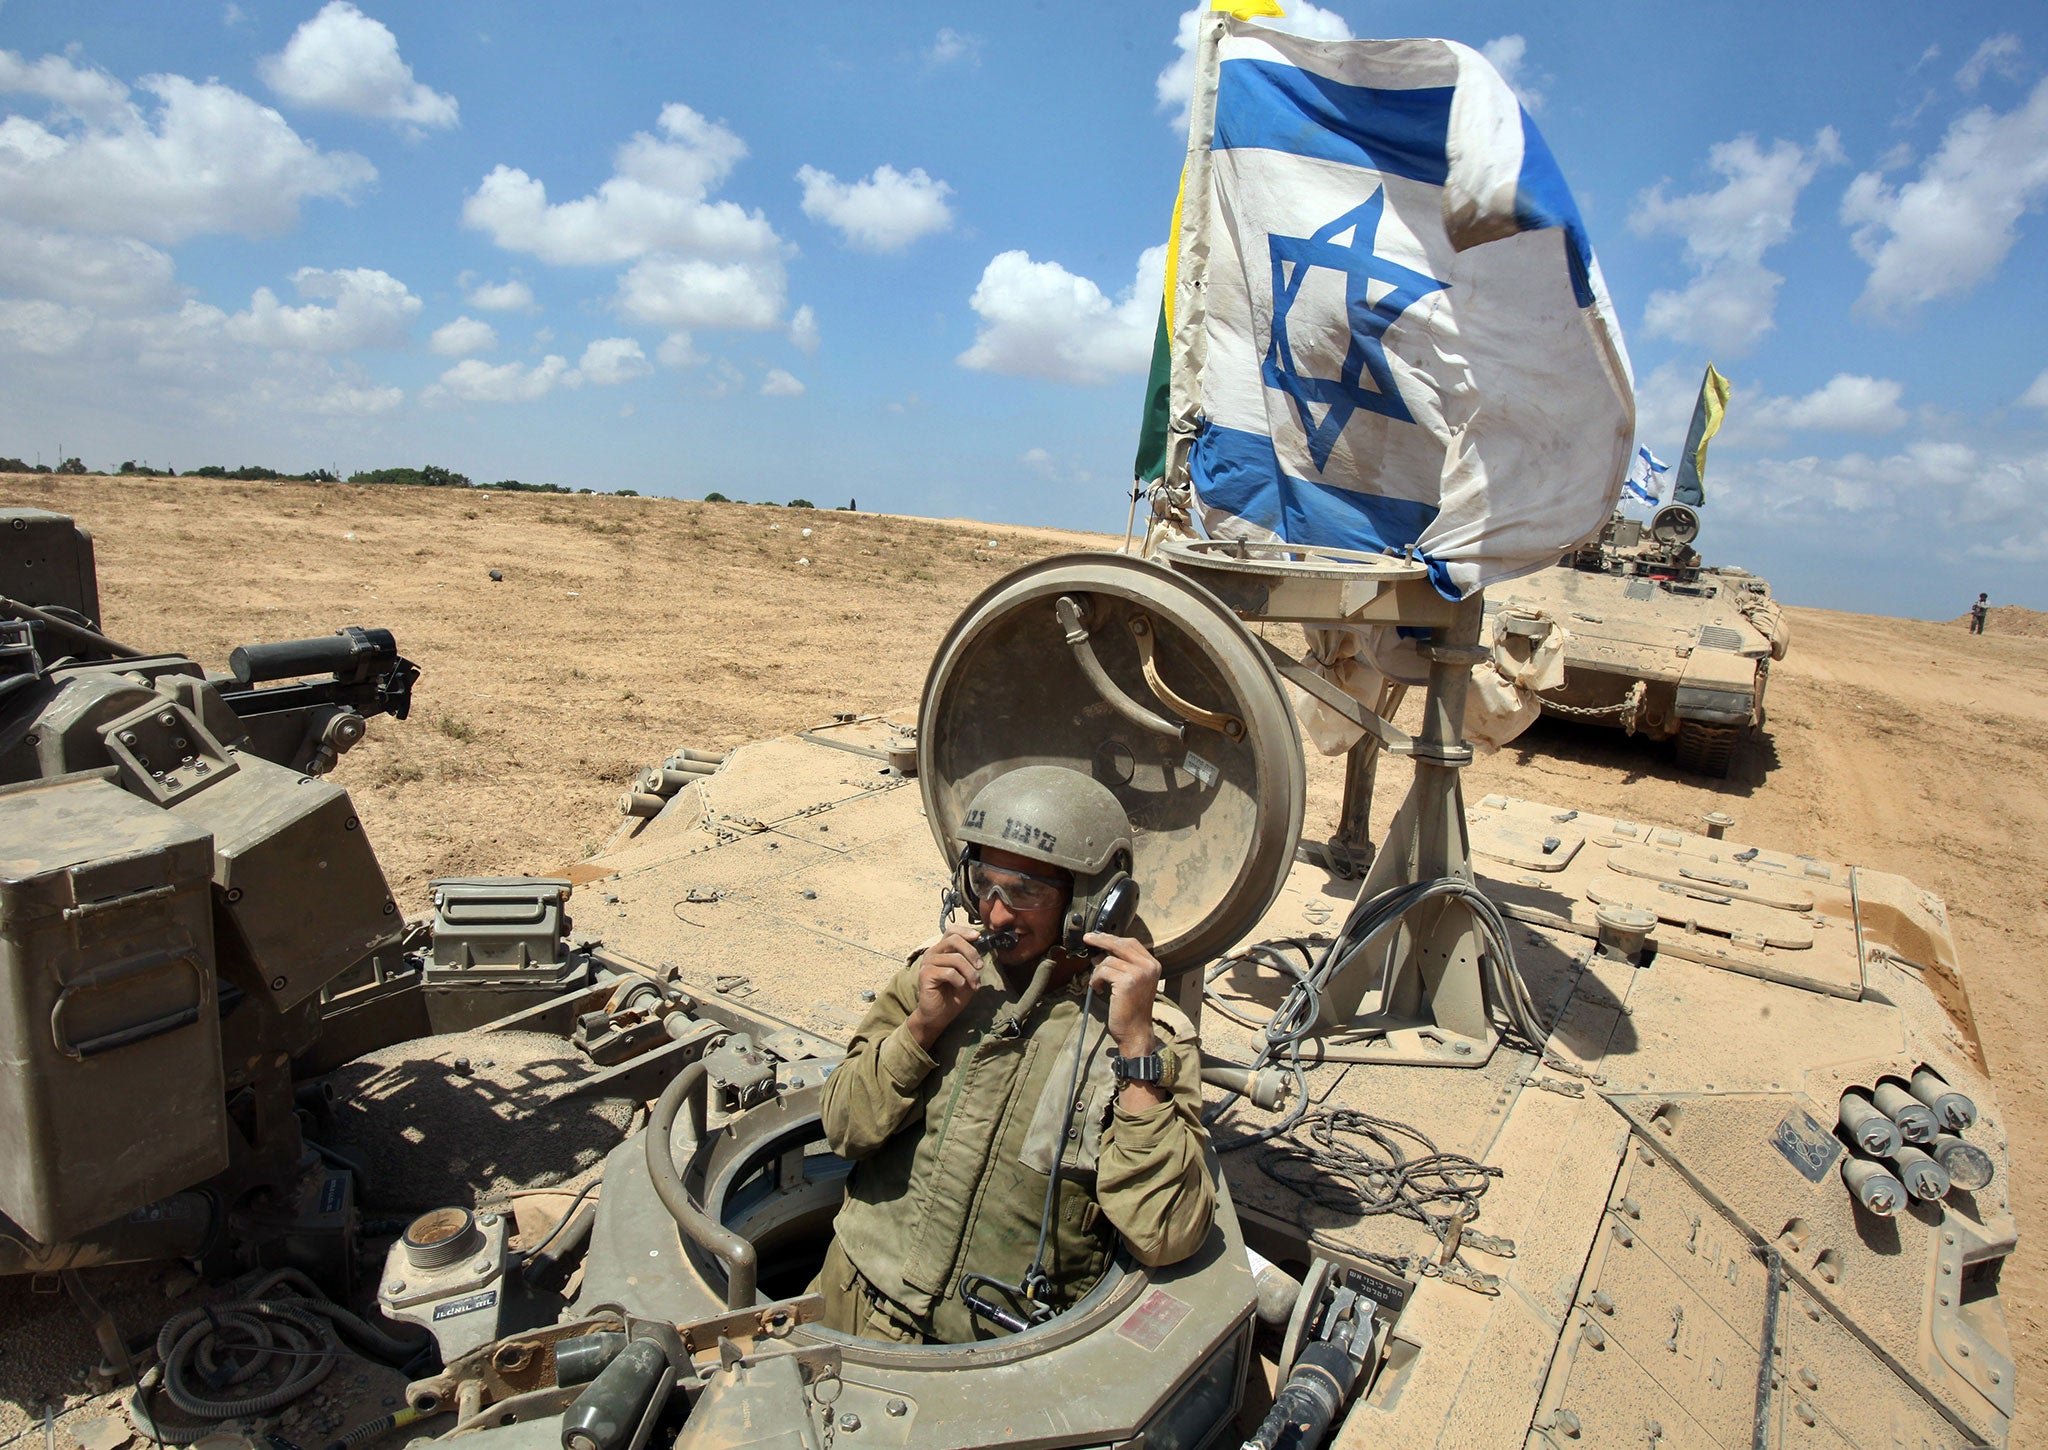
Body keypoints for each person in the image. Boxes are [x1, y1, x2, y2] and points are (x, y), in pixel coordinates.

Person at [812, 766, 1214, 1344]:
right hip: (850, 1305)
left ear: (1095, 902)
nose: (996, 913)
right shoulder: (937, 979)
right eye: (983, 882)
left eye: (1025, 892)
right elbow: (844, 1130)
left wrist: (1135, 1051)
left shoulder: (1147, 1037)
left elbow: (1166, 1232)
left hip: (992, 1361)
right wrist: (922, 1027)